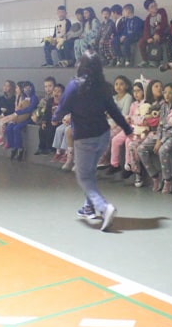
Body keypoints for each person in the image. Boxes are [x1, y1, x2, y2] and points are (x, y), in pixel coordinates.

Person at [52, 51, 132, 231]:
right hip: (103, 136)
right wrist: (127, 129)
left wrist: (55, 118)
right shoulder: (102, 86)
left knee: (83, 176)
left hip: (84, 138)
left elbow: (63, 106)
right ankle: (88, 207)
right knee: (90, 172)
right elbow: (114, 111)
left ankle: (104, 208)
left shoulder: (74, 85)